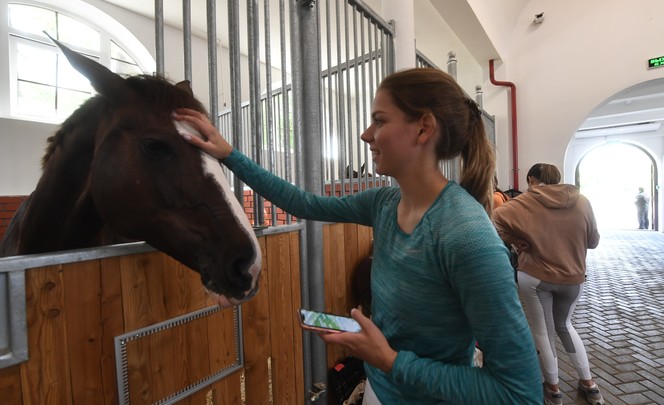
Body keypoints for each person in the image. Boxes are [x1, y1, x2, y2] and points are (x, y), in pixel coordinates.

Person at [174, 68, 542, 404]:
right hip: (379, 391)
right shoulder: (385, 202)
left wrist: (389, 359)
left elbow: (518, 392)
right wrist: (229, 155)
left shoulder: (466, 235)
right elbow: (304, 204)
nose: (366, 134)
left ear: (423, 128)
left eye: (379, 121)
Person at [493, 163, 605, 405]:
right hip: (574, 277)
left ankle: (553, 390)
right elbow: (594, 242)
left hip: (536, 277)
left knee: (543, 331)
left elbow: (496, 217)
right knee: (565, 325)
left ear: (531, 179)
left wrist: (514, 240)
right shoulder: (582, 200)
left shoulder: (525, 202)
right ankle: (590, 385)